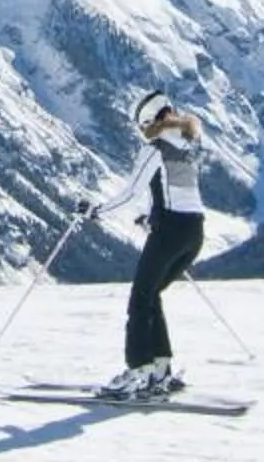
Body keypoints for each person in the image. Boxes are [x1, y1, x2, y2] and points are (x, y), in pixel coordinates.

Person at [86, 89, 206, 401]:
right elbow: (179, 191)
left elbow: (131, 191)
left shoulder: (155, 149)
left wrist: (95, 211)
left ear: (150, 121)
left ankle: (137, 372)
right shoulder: (187, 144)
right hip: (194, 232)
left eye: (142, 126)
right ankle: (160, 370)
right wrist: (151, 216)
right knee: (151, 295)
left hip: (169, 232)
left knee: (139, 299)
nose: (141, 133)